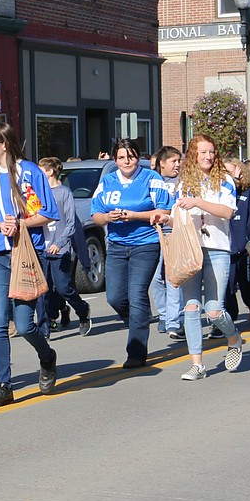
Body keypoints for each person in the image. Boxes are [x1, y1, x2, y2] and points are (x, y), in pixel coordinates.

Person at [0, 122, 60, 406]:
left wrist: (20, 223)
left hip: (26, 254)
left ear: (5, 145)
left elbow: (48, 213)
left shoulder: (30, 172)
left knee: (23, 326)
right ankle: (4, 385)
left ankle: (46, 356)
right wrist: (1, 225)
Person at [91, 138, 173, 369]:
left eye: (131, 156)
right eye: (121, 157)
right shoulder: (106, 181)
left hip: (145, 244)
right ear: (114, 159)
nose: (127, 161)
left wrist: (134, 216)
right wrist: (108, 218)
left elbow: (165, 210)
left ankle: (136, 352)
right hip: (116, 245)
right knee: (114, 297)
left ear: (138, 157)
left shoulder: (152, 179)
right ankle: (138, 320)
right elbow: (96, 214)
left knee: (137, 295)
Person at [171, 136, 243, 381]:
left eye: (212, 152)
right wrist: (163, 218)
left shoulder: (225, 180)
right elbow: (176, 215)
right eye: (203, 152)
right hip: (191, 249)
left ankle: (233, 338)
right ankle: (197, 364)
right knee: (191, 307)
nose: (208, 156)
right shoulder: (183, 183)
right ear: (193, 155)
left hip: (217, 248)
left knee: (213, 311)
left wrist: (199, 202)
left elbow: (227, 212)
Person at [38, 157, 92, 337]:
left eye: (42, 170)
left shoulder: (63, 192)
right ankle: (45, 327)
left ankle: (83, 310)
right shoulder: (37, 193)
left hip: (59, 249)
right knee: (43, 290)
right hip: (41, 248)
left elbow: (70, 223)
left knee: (63, 288)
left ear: (51, 171)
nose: (38, 173)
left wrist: (59, 242)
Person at [222, 156, 250, 324]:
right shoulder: (219, 193)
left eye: (230, 172)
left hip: (244, 247)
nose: (228, 176)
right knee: (227, 286)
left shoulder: (247, 193)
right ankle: (229, 315)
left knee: (246, 282)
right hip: (225, 247)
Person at [149, 146, 183, 339]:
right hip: (155, 234)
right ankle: (164, 314)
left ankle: (174, 321)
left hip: (175, 233)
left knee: (173, 278)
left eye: (179, 161)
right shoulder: (153, 181)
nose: (177, 164)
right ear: (162, 163)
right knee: (155, 278)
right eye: (173, 161)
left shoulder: (182, 182)